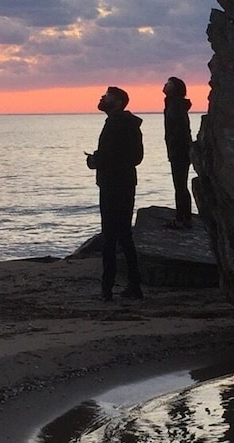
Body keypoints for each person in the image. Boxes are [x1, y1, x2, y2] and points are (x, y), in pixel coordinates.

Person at [86, 86, 144, 301]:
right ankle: (133, 285)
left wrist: (95, 160)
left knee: (110, 236)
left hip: (113, 184)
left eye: (108, 96)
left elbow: (111, 155)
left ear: (118, 102)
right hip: (126, 183)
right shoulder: (130, 125)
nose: (102, 97)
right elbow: (137, 156)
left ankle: (107, 288)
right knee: (124, 236)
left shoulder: (116, 124)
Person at [162, 77, 194, 229]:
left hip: (179, 150)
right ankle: (183, 216)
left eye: (169, 84)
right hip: (178, 149)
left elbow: (181, 128)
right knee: (180, 184)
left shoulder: (175, 105)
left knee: (180, 185)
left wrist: (176, 147)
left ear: (175, 88)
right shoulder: (173, 104)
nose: (165, 85)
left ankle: (183, 218)